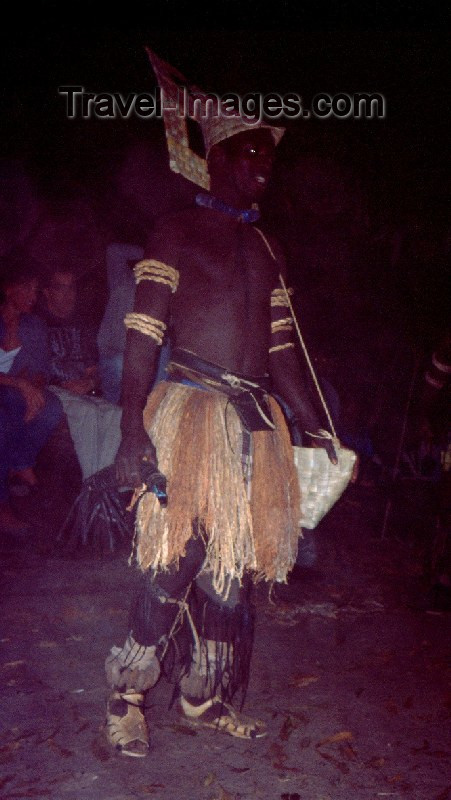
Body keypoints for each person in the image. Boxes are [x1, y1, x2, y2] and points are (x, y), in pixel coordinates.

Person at [104, 101, 339, 758]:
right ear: (218, 159)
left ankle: (200, 698)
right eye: (252, 152)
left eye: (270, 154)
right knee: (174, 559)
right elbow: (141, 336)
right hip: (189, 411)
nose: (265, 165)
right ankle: (124, 695)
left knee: (230, 571)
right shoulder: (175, 230)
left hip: (251, 422)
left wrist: (318, 429)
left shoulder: (267, 245)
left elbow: (283, 350)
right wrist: (131, 431)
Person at [37, 268, 122, 480]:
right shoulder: (37, 322)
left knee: (116, 413)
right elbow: (33, 369)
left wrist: (90, 381)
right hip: (52, 390)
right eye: (61, 288)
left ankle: (101, 485)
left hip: (80, 390)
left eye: (72, 288)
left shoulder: (84, 324)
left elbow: (94, 370)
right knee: (87, 413)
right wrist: (56, 386)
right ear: (47, 292)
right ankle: (91, 484)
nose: (68, 294)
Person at [0, 259, 64, 534]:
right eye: (26, 288)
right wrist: (22, 385)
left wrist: (34, 390)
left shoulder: (34, 325)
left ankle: (19, 462)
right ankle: (3, 506)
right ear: (7, 288)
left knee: (51, 407)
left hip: (14, 391)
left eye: (35, 290)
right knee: (4, 422)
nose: (32, 296)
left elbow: (41, 370)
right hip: (10, 390)